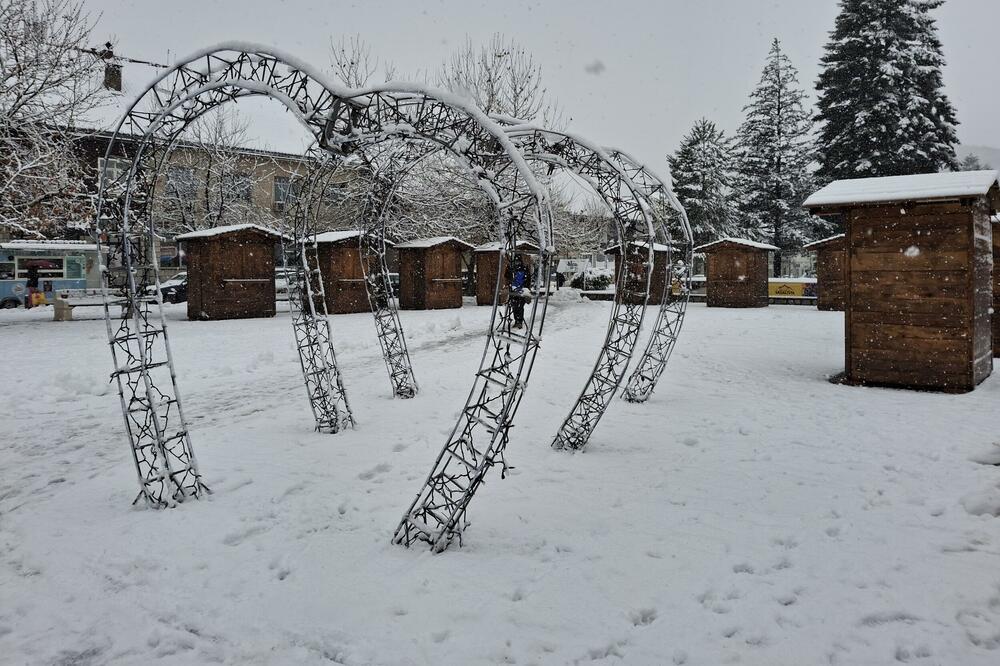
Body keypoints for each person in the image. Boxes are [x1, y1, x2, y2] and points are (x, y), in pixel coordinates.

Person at [510, 259, 530, 329]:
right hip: (514, 291)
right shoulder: (513, 270)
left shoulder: (524, 271)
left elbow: (527, 281)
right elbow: (510, 279)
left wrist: (524, 289)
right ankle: (517, 321)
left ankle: (519, 321)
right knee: (515, 307)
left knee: (520, 307)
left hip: (522, 291)